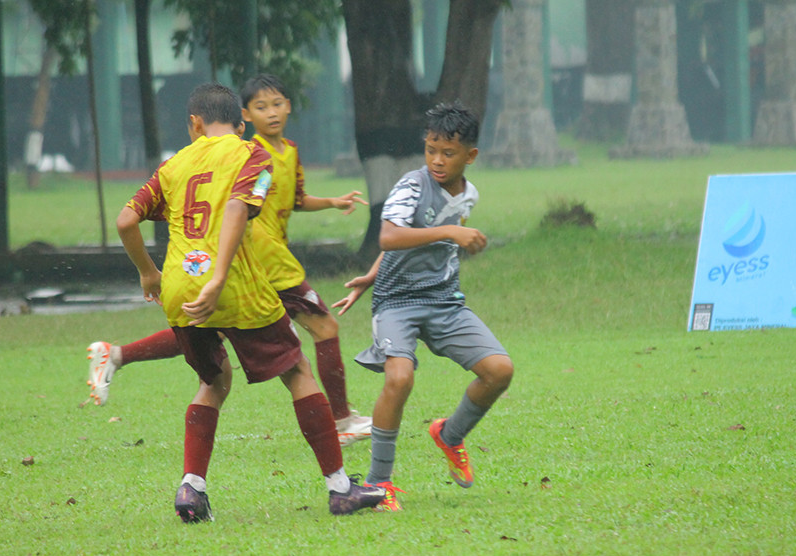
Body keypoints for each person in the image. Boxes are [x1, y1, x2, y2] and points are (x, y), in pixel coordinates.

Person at [115, 82, 384, 522]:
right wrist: (220, 277)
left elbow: (127, 219)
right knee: (297, 371)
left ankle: (191, 490)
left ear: (194, 123)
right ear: (240, 124)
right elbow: (239, 210)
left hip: (181, 289)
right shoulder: (252, 155)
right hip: (234, 285)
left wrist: (148, 272)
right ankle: (340, 488)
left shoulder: (172, 166)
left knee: (214, 381)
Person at [333, 101, 514, 512]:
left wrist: (371, 273)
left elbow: (417, 237)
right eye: (431, 149)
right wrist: (449, 232)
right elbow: (391, 237)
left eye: (447, 153)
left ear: (471, 156)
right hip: (397, 302)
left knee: (499, 370)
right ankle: (380, 484)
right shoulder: (412, 185)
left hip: (444, 300)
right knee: (399, 378)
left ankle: (450, 435)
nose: (436, 160)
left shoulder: (469, 194)